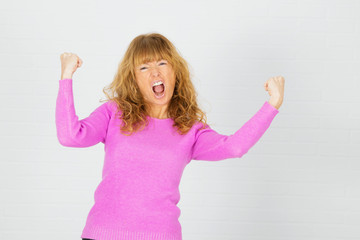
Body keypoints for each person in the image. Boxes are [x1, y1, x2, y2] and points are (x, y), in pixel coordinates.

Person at [56, 32, 284, 240]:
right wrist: (66, 76)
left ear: (175, 72)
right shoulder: (114, 113)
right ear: (133, 79)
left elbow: (234, 147)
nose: (155, 72)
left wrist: (272, 104)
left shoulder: (190, 129)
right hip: (102, 235)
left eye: (162, 63)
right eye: (144, 67)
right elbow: (70, 136)